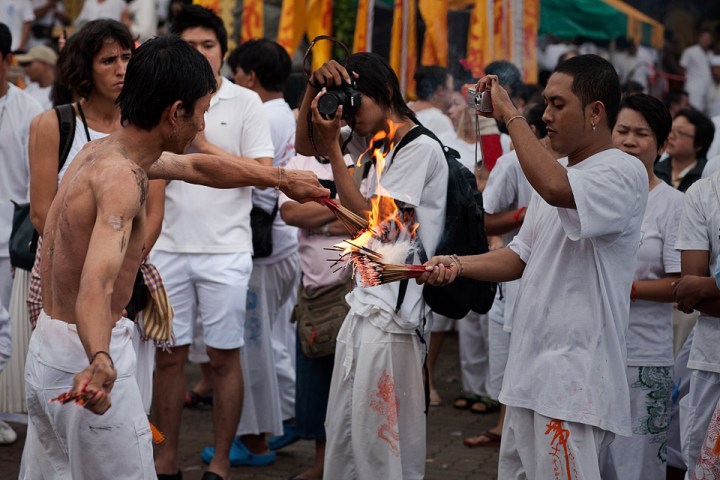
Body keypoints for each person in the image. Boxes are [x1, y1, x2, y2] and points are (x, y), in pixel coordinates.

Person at [18, 35, 327, 480]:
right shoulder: (121, 177)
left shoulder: (108, 149)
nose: (203, 126)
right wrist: (101, 359)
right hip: (85, 359)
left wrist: (280, 177)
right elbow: (98, 283)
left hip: (56, 347)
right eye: (201, 111)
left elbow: (199, 167)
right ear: (174, 113)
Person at [419, 54, 648, 477]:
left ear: (596, 111)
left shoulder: (622, 170)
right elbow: (519, 255)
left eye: (558, 105)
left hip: (574, 382)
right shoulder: (558, 171)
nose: (545, 116)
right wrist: (456, 264)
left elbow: (556, 187)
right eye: (545, 103)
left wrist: (510, 116)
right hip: (529, 373)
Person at [296, 52, 449, 479]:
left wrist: (332, 148)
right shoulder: (378, 139)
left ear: (383, 94)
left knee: (383, 442)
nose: (349, 116)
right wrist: (314, 87)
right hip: (368, 304)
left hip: (396, 318)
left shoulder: (418, 147)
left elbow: (374, 222)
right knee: (349, 432)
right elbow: (305, 145)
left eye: (354, 103)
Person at [152, 5, 275, 478]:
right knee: (169, 361)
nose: (201, 54)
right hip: (166, 251)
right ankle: (165, 458)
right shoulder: (162, 99)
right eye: (190, 46)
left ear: (223, 51)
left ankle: (221, 461)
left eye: (209, 45)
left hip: (226, 251)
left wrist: (201, 144)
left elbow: (266, 176)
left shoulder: (245, 103)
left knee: (225, 359)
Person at [598, 93, 681, 479]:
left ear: (662, 146)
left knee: (637, 468)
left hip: (643, 356)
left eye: (641, 134)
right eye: (622, 131)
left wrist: (626, 289)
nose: (629, 141)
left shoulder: (673, 205)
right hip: (593, 351)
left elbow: (681, 285)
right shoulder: (592, 195)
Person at [463, 102, 550, 448]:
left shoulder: (579, 167)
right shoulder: (513, 163)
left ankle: (521, 432)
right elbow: (483, 219)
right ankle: (506, 427)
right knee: (510, 361)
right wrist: (522, 216)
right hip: (514, 277)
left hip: (554, 285)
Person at [278, 152, 354, 480]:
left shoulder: (359, 156)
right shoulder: (298, 162)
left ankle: (347, 464)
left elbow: (363, 217)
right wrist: (334, 215)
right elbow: (289, 212)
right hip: (312, 289)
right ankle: (323, 464)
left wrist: (318, 215)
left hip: (353, 284)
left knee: (349, 382)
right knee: (318, 378)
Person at [0, 21, 42, 446]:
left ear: (7, 61)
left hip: (8, 243)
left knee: (6, 334)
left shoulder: (30, 110)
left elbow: (38, 183)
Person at [673, 159, 720, 478]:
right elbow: (689, 293)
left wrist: (707, 285)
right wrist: (701, 287)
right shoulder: (707, 192)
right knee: (703, 466)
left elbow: (696, 287)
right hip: (713, 359)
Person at [654, 108, 715, 192]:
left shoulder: (707, 177)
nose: (671, 137)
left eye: (679, 132)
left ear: (699, 144)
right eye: (671, 130)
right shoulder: (655, 170)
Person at [411, 65, 454, 137]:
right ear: (441, 90)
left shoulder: (404, 109)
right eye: (451, 90)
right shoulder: (439, 120)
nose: (452, 96)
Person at [680, 29, 714, 112]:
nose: (706, 41)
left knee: (706, 111)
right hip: (693, 87)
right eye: (704, 38)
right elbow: (682, 68)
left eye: (708, 39)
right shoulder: (690, 51)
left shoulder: (711, 54)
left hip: (708, 87)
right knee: (692, 110)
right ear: (699, 38)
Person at [16, 44, 56, 109]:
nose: (26, 69)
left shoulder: (60, 92)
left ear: (44, 64)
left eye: (29, 64)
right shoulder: (29, 90)